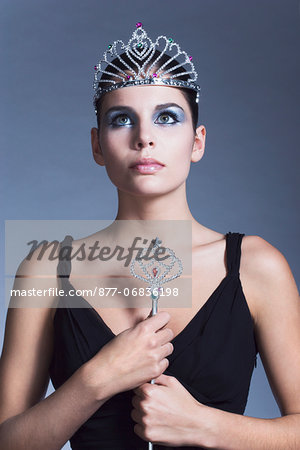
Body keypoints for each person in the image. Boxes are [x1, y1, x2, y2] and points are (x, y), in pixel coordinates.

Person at [0, 22, 300, 450]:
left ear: (197, 142)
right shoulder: (44, 269)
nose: (145, 138)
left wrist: (207, 426)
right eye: (122, 119)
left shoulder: (256, 266)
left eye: (166, 118)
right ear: (98, 145)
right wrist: (95, 379)